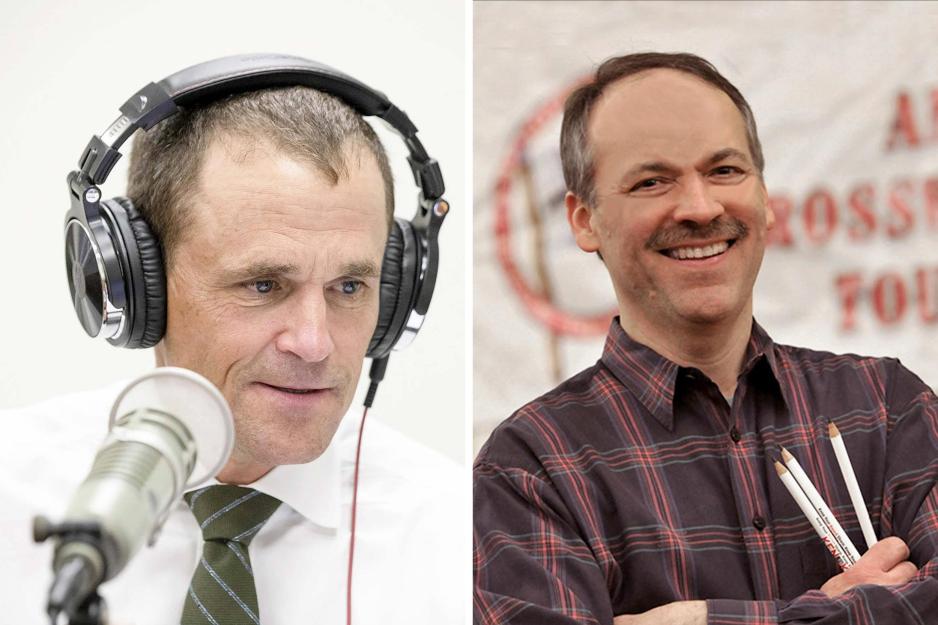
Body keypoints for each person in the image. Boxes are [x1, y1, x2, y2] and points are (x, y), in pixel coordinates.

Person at [473, 52, 938, 625]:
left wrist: (695, 620)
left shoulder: (886, 406)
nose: (699, 207)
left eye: (724, 171)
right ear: (584, 220)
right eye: (652, 181)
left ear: (765, 198)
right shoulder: (533, 467)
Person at [0, 61, 461, 624]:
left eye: (349, 287)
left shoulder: (459, 536)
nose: (314, 344)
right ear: (134, 283)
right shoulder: (12, 487)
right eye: (263, 285)